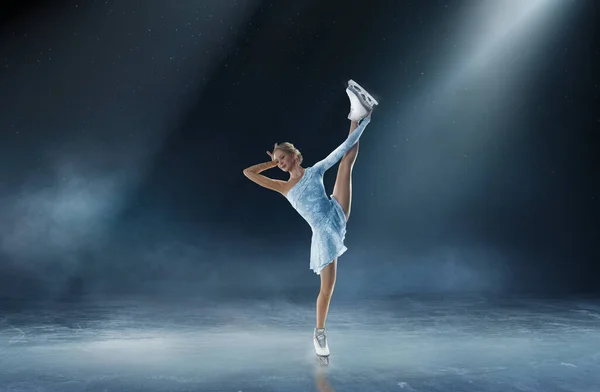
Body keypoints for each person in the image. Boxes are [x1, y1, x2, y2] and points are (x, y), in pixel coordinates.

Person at [243, 80, 378, 359]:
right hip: (322, 233)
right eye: (277, 159)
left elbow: (343, 149)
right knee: (327, 289)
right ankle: (319, 332)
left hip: (335, 211)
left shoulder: (314, 171)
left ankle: (357, 113)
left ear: (296, 156)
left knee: (346, 162)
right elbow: (249, 173)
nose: (280, 162)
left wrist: (363, 123)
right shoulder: (283, 186)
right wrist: (269, 163)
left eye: (283, 157)